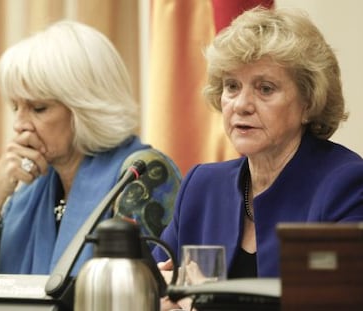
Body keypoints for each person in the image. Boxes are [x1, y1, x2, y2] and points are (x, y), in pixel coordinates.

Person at [153, 6, 363, 310]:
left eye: (265, 89)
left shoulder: (345, 186)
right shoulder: (202, 187)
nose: (241, 105)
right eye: (232, 86)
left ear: (308, 102)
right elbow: (160, 284)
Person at [0, 20, 181, 275]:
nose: (19, 125)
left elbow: (134, 293)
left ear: (86, 109)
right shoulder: (28, 191)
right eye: (16, 107)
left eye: (38, 108)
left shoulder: (141, 173)